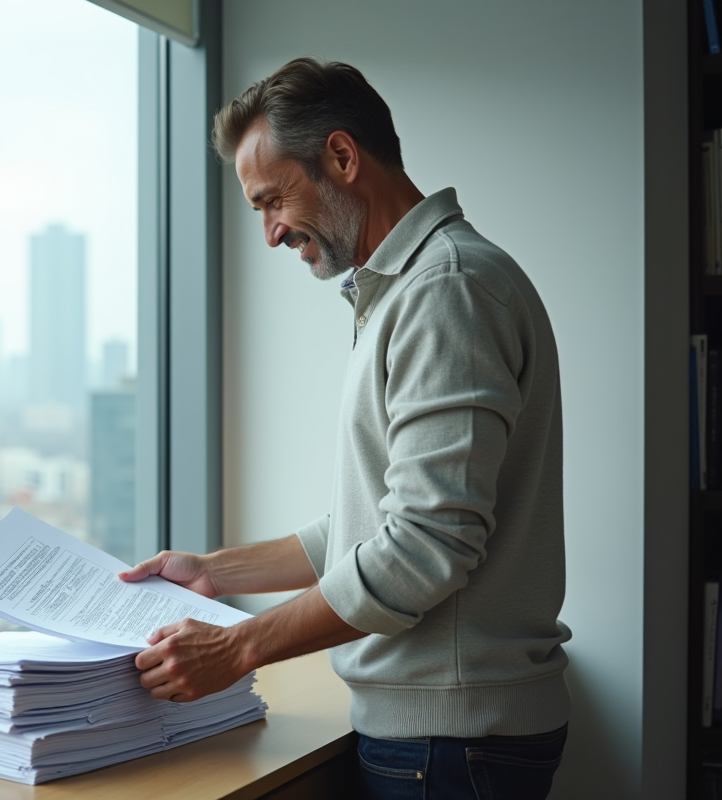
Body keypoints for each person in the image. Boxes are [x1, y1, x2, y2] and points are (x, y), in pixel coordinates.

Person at [120, 58, 572, 800]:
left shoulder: (446, 291)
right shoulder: (409, 292)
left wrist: (238, 648)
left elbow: (423, 546)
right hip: (446, 737)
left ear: (340, 156)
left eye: (272, 201)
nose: (268, 234)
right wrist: (216, 573)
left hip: (451, 743)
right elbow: (376, 525)